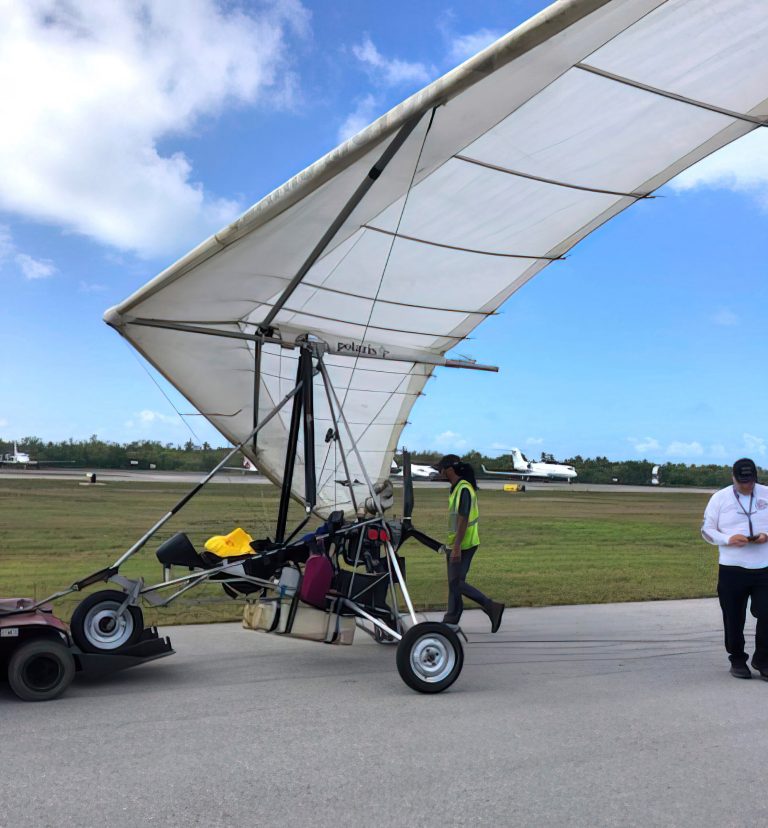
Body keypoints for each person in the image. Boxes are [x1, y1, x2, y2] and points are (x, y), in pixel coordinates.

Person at [701, 458, 768, 679]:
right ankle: (738, 659)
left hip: (763, 567)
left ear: (755, 478)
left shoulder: (766, 494)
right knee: (733, 617)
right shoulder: (719, 498)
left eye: (749, 482)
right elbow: (707, 530)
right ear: (733, 477)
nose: (746, 486)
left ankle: (763, 659)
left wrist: (765, 536)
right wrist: (728, 538)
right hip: (732, 568)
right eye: (741, 482)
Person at [435, 454, 504, 632]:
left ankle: (491, 606)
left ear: (449, 469)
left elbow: (463, 518)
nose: (440, 472)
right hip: (460, 543)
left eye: (441, 469)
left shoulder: (463, 488)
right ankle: (451, 619)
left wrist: (457, 546)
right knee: (455, 582)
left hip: (464, 544)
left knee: (456, 583)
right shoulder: (457, 487)